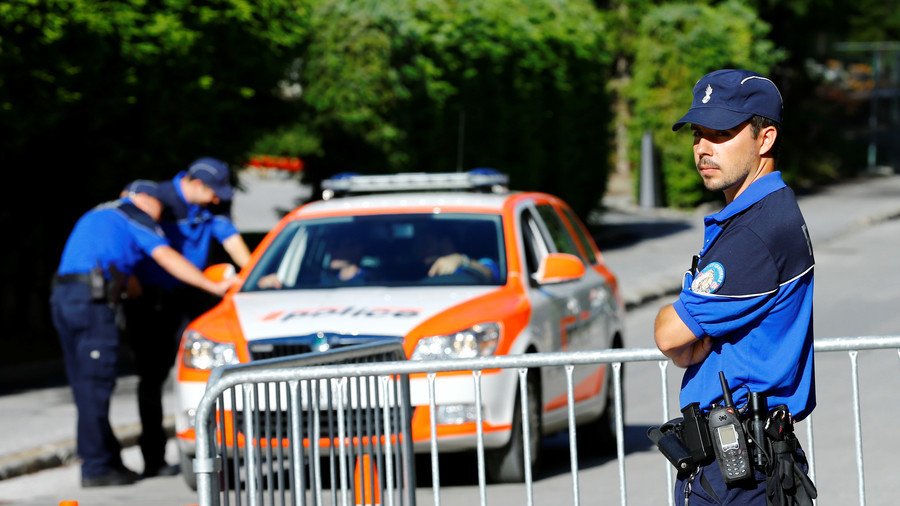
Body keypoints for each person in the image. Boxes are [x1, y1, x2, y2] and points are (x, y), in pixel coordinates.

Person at [653, 69, 817, 505]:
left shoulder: (756, 232)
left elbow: (670, 334)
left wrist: (691, 331)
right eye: (697, 134)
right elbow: (682, 344)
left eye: (722, 133)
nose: (703, 148)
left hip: (742, 472)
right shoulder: (756, 216)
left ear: (765, 139)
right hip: (737, 461)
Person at [50, 180, 233, 488]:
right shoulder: (135, 215)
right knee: (97, 384)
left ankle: (106, 459)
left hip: (65, 297)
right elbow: (166, 257)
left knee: (85, 384)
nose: (159, 217)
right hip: (92, 303)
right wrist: (210, 284)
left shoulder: (102, 214)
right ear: (147, 200)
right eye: (159, 210)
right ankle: (96, 468)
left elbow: (122, 272)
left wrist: (129, 285)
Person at [123, 157, 251, 478]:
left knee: (209, 370)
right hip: (153, 300)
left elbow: (232, 241)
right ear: (195, 183)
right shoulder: (158, 197)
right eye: (214, 192)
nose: (219, 199)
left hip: (193, 296)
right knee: (152, 377)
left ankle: (219, 450)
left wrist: (254, 276)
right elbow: (125, 219)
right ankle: (153, 455)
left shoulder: (214, 207)